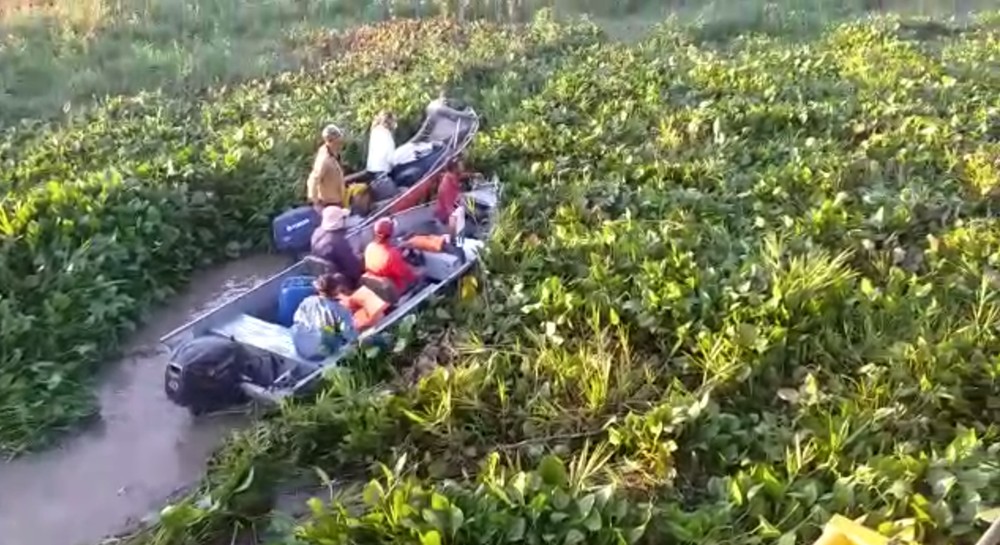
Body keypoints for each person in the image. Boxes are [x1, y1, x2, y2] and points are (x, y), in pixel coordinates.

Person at [291, 273, 359, 360]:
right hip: (322, 353)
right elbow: (349, 335)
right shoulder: (341, 311)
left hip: (300, 349)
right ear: (336, 290)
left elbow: (296, 319)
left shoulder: (307, 301)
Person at [310, 206, 363, 289]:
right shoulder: (339, 242)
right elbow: (354, 270)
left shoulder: (316, 232)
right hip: (338, 282)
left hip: (322, 275)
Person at [364, 217, 420, 296]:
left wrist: (400, 248)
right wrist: (417, 273)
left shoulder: (370, 247)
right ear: (391, 234)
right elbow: (408, 275)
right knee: (422, 272)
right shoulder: (391, 255)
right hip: (396, 288)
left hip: (381, 283)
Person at [306, 124, 346, 211]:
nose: (341, 141)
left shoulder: (334, 155)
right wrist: (315, 202)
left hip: (337, 202)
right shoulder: (324, 159)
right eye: (338, 138)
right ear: (330, 140)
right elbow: (313, 180)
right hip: (329, 204)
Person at [366, 111, 397, 178]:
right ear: (390, 122)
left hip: (371, 170)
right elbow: (390, 158)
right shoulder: (387, 135)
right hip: (382, 172)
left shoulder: (374, 132)